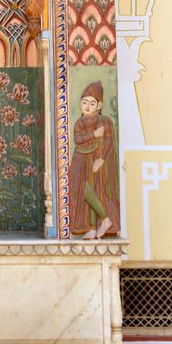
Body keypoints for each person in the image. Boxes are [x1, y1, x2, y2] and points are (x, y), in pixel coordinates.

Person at [69, 81, 120, 238]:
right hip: (81, 160)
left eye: (92, 103)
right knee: (81, 189)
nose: (88, 106)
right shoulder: (79, 122)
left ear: (99, 105)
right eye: (84, 102)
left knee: (96, 190)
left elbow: (109, 142)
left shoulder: (104, 120)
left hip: (97, 160)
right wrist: (93, 135)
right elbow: (78, 139)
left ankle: (102, 222)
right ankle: (92, 226)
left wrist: (102, 159)